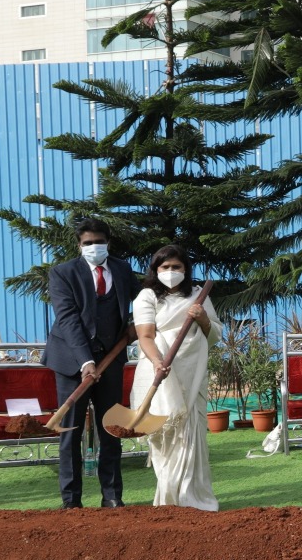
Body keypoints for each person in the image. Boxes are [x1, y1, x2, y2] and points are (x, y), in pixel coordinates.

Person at [44, 218, 139, 508]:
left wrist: (138, 326)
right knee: (70, 433)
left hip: (111, 360)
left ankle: (112, 497)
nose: (93, 247)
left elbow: (142, 298)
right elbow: (69, 320)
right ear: (79, 245)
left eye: (98, 241)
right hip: (73, 362)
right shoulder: (63, 274)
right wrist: (86, 361)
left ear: (108, 242)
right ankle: (71, 500)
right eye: (87, 243)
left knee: (111, 429)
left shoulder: (122, 269)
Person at [129, 246, 222, 509]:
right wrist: (158, 361)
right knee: (165, 433)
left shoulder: (197, 295)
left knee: (191, 431)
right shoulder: (147, 296)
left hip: (192, 370)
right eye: (165, 268)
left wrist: (202, 317)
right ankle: (169, 498)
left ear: (185, 269)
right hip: (159, 369)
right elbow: (145, 336)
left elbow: (214, 335)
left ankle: (193, 497)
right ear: (155, 270)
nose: (171, 272)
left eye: (176, 267)